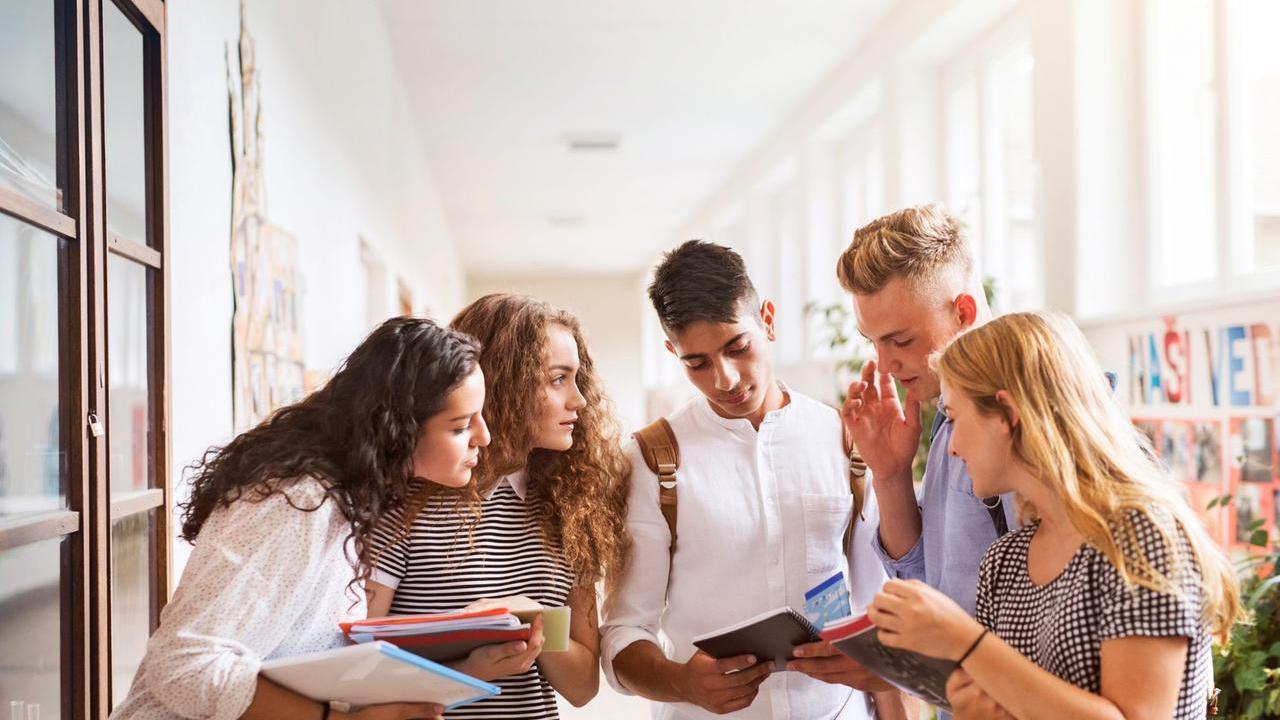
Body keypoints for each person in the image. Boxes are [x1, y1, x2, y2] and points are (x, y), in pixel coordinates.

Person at [867, 311, 1242, 720]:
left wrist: (966, 643)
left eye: (956, 419)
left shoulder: (1140, 538)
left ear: (1008, 414)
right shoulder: (1004, 561)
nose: (951, 448)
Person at [113, 317, 490, 720]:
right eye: (461, 425)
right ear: (398, 429)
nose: (483, 436)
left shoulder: (350, 500)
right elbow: (185, 664)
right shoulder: (297, 500)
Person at [601, 240, 905, 719]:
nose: (724, 378)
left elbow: (875, 603)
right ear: (671, 352)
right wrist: (682, 682)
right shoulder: (655, 458)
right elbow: (624, 633)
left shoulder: (843, 437)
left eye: (737, 348)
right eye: (696, 363)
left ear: (767, 319)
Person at [366, 294, 631, 719]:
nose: (579, 400)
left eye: (577, 379)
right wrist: (466, 669)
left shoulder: (570, 509)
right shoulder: (404, 506)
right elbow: (358, 668)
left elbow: (582, 687)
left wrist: (533, 618)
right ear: (504, 382)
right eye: (558, 379)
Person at [836, 204, 1014, 617]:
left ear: (963, 313)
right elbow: (927, 582)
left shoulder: (1024, 418)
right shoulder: (947, 418)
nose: (885, 365)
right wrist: (891, 475)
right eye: (872, 342)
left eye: (900, 340)